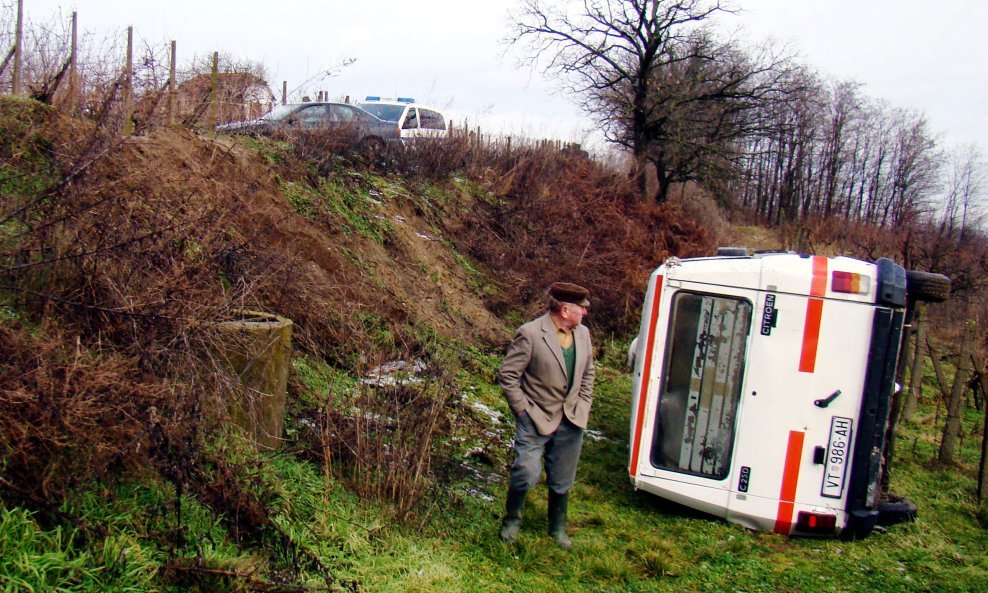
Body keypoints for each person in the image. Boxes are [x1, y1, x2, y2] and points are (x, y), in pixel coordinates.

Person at [497, 282, 595, 549]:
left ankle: (558, 528)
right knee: (525, 472)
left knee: (563, 477)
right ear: (565, 309)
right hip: (535, 418)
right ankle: (512, 521)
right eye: (581, 309)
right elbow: (508, 376)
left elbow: (588, 374)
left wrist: (583, 406)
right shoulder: (529, 333)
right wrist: (523, 411)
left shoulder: (583, 335)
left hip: (571, 419)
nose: (585, 314)